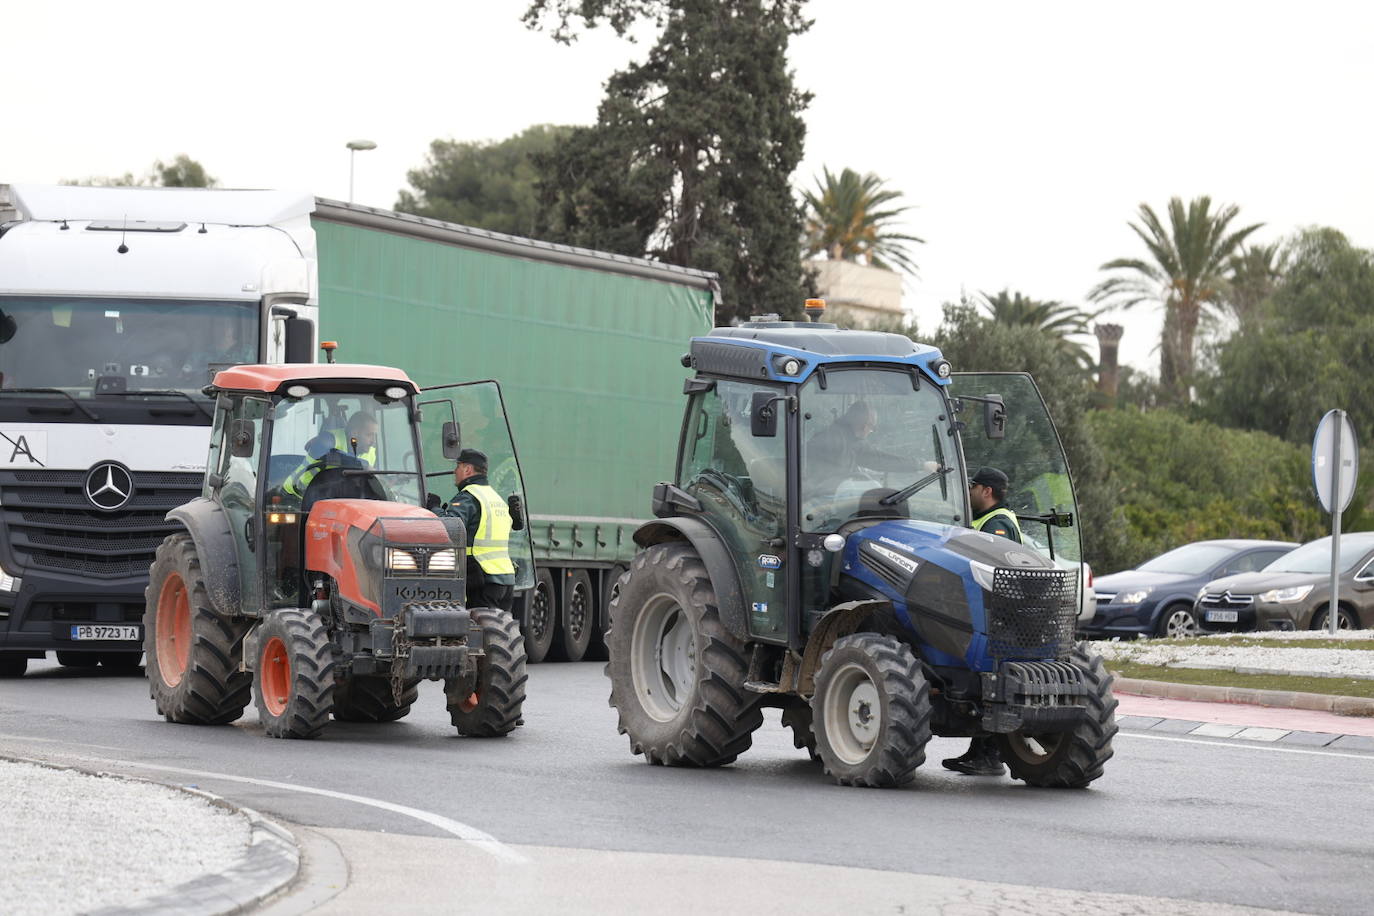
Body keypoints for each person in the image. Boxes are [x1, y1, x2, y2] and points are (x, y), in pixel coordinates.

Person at [943, 465, 1022, 777]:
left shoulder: (998, 524)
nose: (970, 490)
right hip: (993, 613)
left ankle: (987, 755)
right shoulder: (987, 519)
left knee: (990, 679)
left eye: (973, 486)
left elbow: (987, 566)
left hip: (995, 614)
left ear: (987, 491)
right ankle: (981, 753)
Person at [435, 448, 515, 612]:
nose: (454, 471)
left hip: (482, 578)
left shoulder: (469, 496)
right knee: (498, 633)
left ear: (467, 469)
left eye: (457, 467)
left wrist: (434, 508)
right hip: (505, 578)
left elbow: (451, 528)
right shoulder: (494, 497)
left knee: (478, 632)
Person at [282, 411, 379, 500]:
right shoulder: (328, 439)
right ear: (354, 433)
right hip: (296, 495)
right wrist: (362, 465)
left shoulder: (370, 453)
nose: (373, 441)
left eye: (375, 435)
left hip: (328, 498)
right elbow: (326, 452)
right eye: (369, 435)